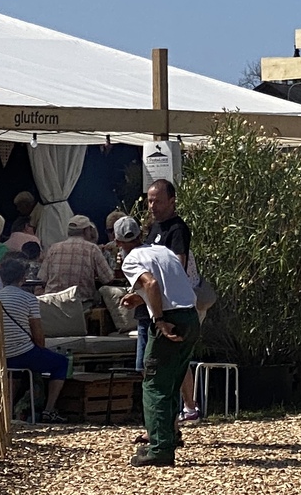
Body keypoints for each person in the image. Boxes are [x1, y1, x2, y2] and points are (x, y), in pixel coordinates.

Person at [122, 230, 200, 467]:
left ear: (118, 242)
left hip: (169, 319)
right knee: (172, 381)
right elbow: (170, 286)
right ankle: (170, 436)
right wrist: (140, 298)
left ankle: (159, 450)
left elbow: (152, 283)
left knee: (154, 384)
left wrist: (159, 321)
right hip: (190, 316)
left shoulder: (130, 260)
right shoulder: (164, 251)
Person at [144, 179, 201, 423]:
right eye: (149, 201)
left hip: (173, 305)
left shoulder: (177, 229)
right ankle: (163, 421)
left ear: (172, 201)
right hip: (151, 303)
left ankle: (181, 413)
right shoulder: (153, 228)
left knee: (171, 362)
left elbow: (177, 266)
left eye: (157, 201)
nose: (152, 206)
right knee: (155, 365)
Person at [0, 254, 68, 420]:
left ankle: (7, 411)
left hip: (2, 355)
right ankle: (49, 409)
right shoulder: (29, 299)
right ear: (22, 278)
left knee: (15, 373)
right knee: (61, 363)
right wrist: (40, 348)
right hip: (23, 353)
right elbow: (38, 333)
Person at [39, 215, 116, 296]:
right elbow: (108, 279)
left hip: (53, 300)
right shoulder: (92, 249)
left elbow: (42, 278)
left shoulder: (53, 248)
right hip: (80, 301)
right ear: (86, 230)